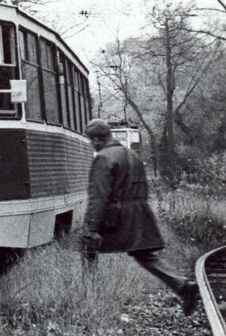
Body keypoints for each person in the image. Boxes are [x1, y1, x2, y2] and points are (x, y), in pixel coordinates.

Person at [80, 118, 198, 315]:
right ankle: (182, 285)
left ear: (96, 139)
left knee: (87, 245)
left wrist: (91, 227)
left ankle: (90, 298)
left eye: (91, 140)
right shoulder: (132, 155)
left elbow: (99, 196)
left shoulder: (103, 157)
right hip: (140, 213)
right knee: (143, 254)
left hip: (117, 218)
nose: (92, 144)